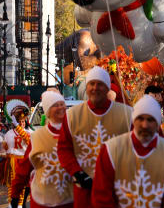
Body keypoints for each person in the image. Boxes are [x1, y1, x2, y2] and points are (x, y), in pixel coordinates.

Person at [57, 66, 133, 207]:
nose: (95, 88)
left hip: (118, 191)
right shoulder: (72, 115)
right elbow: (63, 148)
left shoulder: (127, 114)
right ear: (86, 88)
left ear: (108, 88)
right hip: (84, 191)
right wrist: (77, 172)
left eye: (100, 84)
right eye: (91, 84)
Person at [92, 95, 164, 207]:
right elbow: (101, 196)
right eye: (140, 118)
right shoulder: (111, 150)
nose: (145, 125)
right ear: (133, 120)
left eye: (150, 120)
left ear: (157, 125)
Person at [11, 90, 74, 208]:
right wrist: (15, 194)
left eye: (62, 104)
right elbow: (24, 168)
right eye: (55, 105)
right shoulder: (37, 137)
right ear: (48, 112)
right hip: (42, 201)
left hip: (69, 200)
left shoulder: (75, 133)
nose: (60, 107)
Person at [0, 99, 31, 203]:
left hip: (23, 161)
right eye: (20, 122)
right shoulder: (9, 133)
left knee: (22, 185)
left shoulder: (29, 132)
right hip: (12, 161)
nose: (22, 123)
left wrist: (17, 127)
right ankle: (12, 203)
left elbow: (28, 140)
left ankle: (20, 203)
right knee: (11, 184)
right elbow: (4, 147)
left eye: (23, 121)